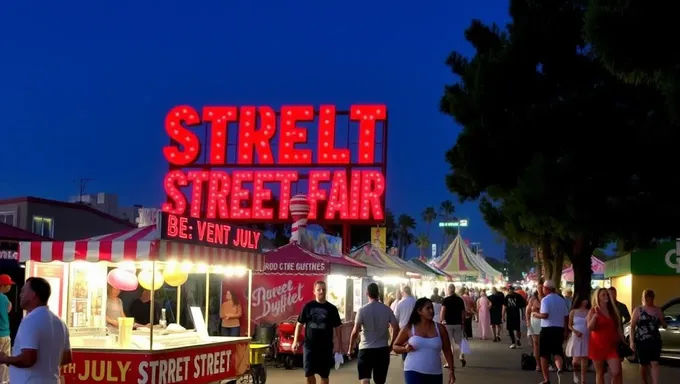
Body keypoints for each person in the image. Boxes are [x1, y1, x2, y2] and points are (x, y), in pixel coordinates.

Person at [0, 277, 71, 383]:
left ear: (33, 295)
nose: (20, 295)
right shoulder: (60, 323)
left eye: (23, 291)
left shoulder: (30, 320)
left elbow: (28, 359)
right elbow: (67, 358)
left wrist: (6, 358)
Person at [393, 298, 456, 384]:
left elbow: (447, 351)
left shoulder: (440, 329)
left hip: (435, 373)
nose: (431, 311)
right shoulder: (409, 328)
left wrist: (451, 371)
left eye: (432, 308)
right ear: (419, 311)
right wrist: (405, 349)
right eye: (428, 308)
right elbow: (395, 346)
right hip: (413, 371)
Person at [293, 281, 342, 384]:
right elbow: (299, 324)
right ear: (314, 291)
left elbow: (338, 328)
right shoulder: (308, 306)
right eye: (319, 290)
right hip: (310, 347)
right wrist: (295, 341)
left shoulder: (332, 309)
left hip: (326, 348)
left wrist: (339, 346)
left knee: (324, 375)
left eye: (323, 290)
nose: (321, 292)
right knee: (309, 373)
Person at [349, 283, 399, 384]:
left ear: (367, 293)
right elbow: (396, 328)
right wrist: (392, 345)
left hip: (365, 350)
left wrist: (350, 348)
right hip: (382, 350)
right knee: (380, 381)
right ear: (378, 293)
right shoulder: (386, 309)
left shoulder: (362, 310)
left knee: (365, 379)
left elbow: (355, 331)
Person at [532, 279, 570, 384]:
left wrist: (535, 314)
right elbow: (566, 316)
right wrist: (566, 330)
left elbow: (545, 315)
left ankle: (546, 379)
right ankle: (559, 368)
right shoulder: (561, 300)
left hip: (547, 330)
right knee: (557, 352)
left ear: (546, 288)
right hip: (559, 329)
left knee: (544, 354)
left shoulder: (545, 300)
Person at [629, 289, 666, 384]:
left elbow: (664, 325)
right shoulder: (638, 310)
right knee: (644, 365)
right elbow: (632, 326)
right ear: (644, 298)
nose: (649, 300)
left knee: (655, 363)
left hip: (655, 340)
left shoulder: (658, 310)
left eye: (651, 298)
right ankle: (645, 382)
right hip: (642, 341)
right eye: (647, 298)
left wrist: (662, 320)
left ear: (653, 298)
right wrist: (631, 341)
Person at [588, 287, 623, 384]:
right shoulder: (593, 311)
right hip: (597, 345)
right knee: (600, 373)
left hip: (611, 346)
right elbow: (590, 328)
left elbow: (618, 327)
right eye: (603, 295)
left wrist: (623, 340)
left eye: (607, 294)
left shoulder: (612, 311)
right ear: (598, 297)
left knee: (616, 372)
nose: (606, 296)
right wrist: (594, 318)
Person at [566, 295, 591, 384]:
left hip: (586, 335)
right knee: (575, 360)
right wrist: (575, 331)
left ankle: (583, 380)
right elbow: (569, 325)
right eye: (584, 300)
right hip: (576, 336)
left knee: (584, 358)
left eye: (586, 300)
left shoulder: (589, 312)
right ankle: (575, 373)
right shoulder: (573, 311)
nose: (585, 302)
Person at [440, 284, 466, 368]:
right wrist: (462, 322)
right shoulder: (460, 300)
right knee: (459, 341)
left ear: (448, 290)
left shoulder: (446, 300)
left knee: (449, 343)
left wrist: (441, 320)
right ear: (454, 290)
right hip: (458, 323)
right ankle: (461, 354)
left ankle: (450, 363)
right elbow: (463, 312)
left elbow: (443, 311)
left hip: (448, 324)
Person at [395, 286, 416, 361]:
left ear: (403, 292)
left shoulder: (400, 303)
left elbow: (396, 318)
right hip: (415, 328)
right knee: (415, 346)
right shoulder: (416, 302)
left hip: (403, 329)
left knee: (404, 347)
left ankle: (406, 363)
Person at [0, 275, 13, 383]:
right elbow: (9, 309)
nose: (10, 287)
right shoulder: (5, 298)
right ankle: (4, 381)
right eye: (9, 285)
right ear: (3, 285)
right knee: (4, 360)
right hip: (4, 334)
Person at [526, 290, 542, 372]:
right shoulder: (532, 299)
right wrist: (528, 322)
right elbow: (527, 311)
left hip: (544, 323)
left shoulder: (546, 299)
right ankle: (538, 364)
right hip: (534, 323)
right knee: (536, 344)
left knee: (543, 344)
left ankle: (547, 363)